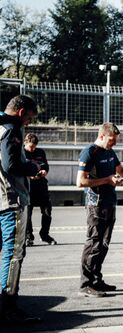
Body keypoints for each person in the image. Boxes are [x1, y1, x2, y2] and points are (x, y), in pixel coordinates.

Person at [76, 123, 123, 297]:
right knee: (94, 242)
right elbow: (81, 182)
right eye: (111, 141)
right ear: (102, 136)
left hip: (109, 203)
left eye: (115, 141)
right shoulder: (89, 152)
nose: (114, 144)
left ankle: (97, 280)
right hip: (95, 204)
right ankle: (85, 284)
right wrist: (107, 180)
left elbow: (121, 172)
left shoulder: (110, 152)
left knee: (104, 244)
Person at [0, 95, 41, 323]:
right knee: (14, 252)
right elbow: (11, 165)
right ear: (20, 111)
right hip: (11, 198)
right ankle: (8, 306)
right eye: (28, 118)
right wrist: (31, 166)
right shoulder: (11, 128)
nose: (28, 123)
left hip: (0, 197)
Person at [24, 133, 57, 246]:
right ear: (25, 143)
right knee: (28, 214)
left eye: (34, 147)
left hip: (41, 186)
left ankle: (45, 235)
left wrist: (44, 171)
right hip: (28, 187)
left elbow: (45, 165)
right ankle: (28, 237)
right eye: (30, 147)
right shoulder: (21, 153)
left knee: (47, 211)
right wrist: (30, 176)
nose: (32, 149)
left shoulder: (40, 152)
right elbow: (19, 169)